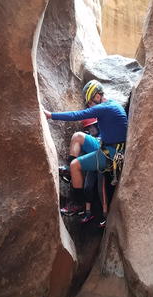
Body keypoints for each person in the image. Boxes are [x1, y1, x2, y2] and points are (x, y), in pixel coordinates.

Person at [43, 80, 127, 224]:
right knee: (78, 136)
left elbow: (77, 115)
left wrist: (51, 115)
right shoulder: (110, 104)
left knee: (76, 165)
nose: (89, 106)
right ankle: (70, 172)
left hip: (111, 154)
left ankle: (78, 204)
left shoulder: (104, 108)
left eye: (90, 102)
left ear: (97, 96)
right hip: (105, 145)